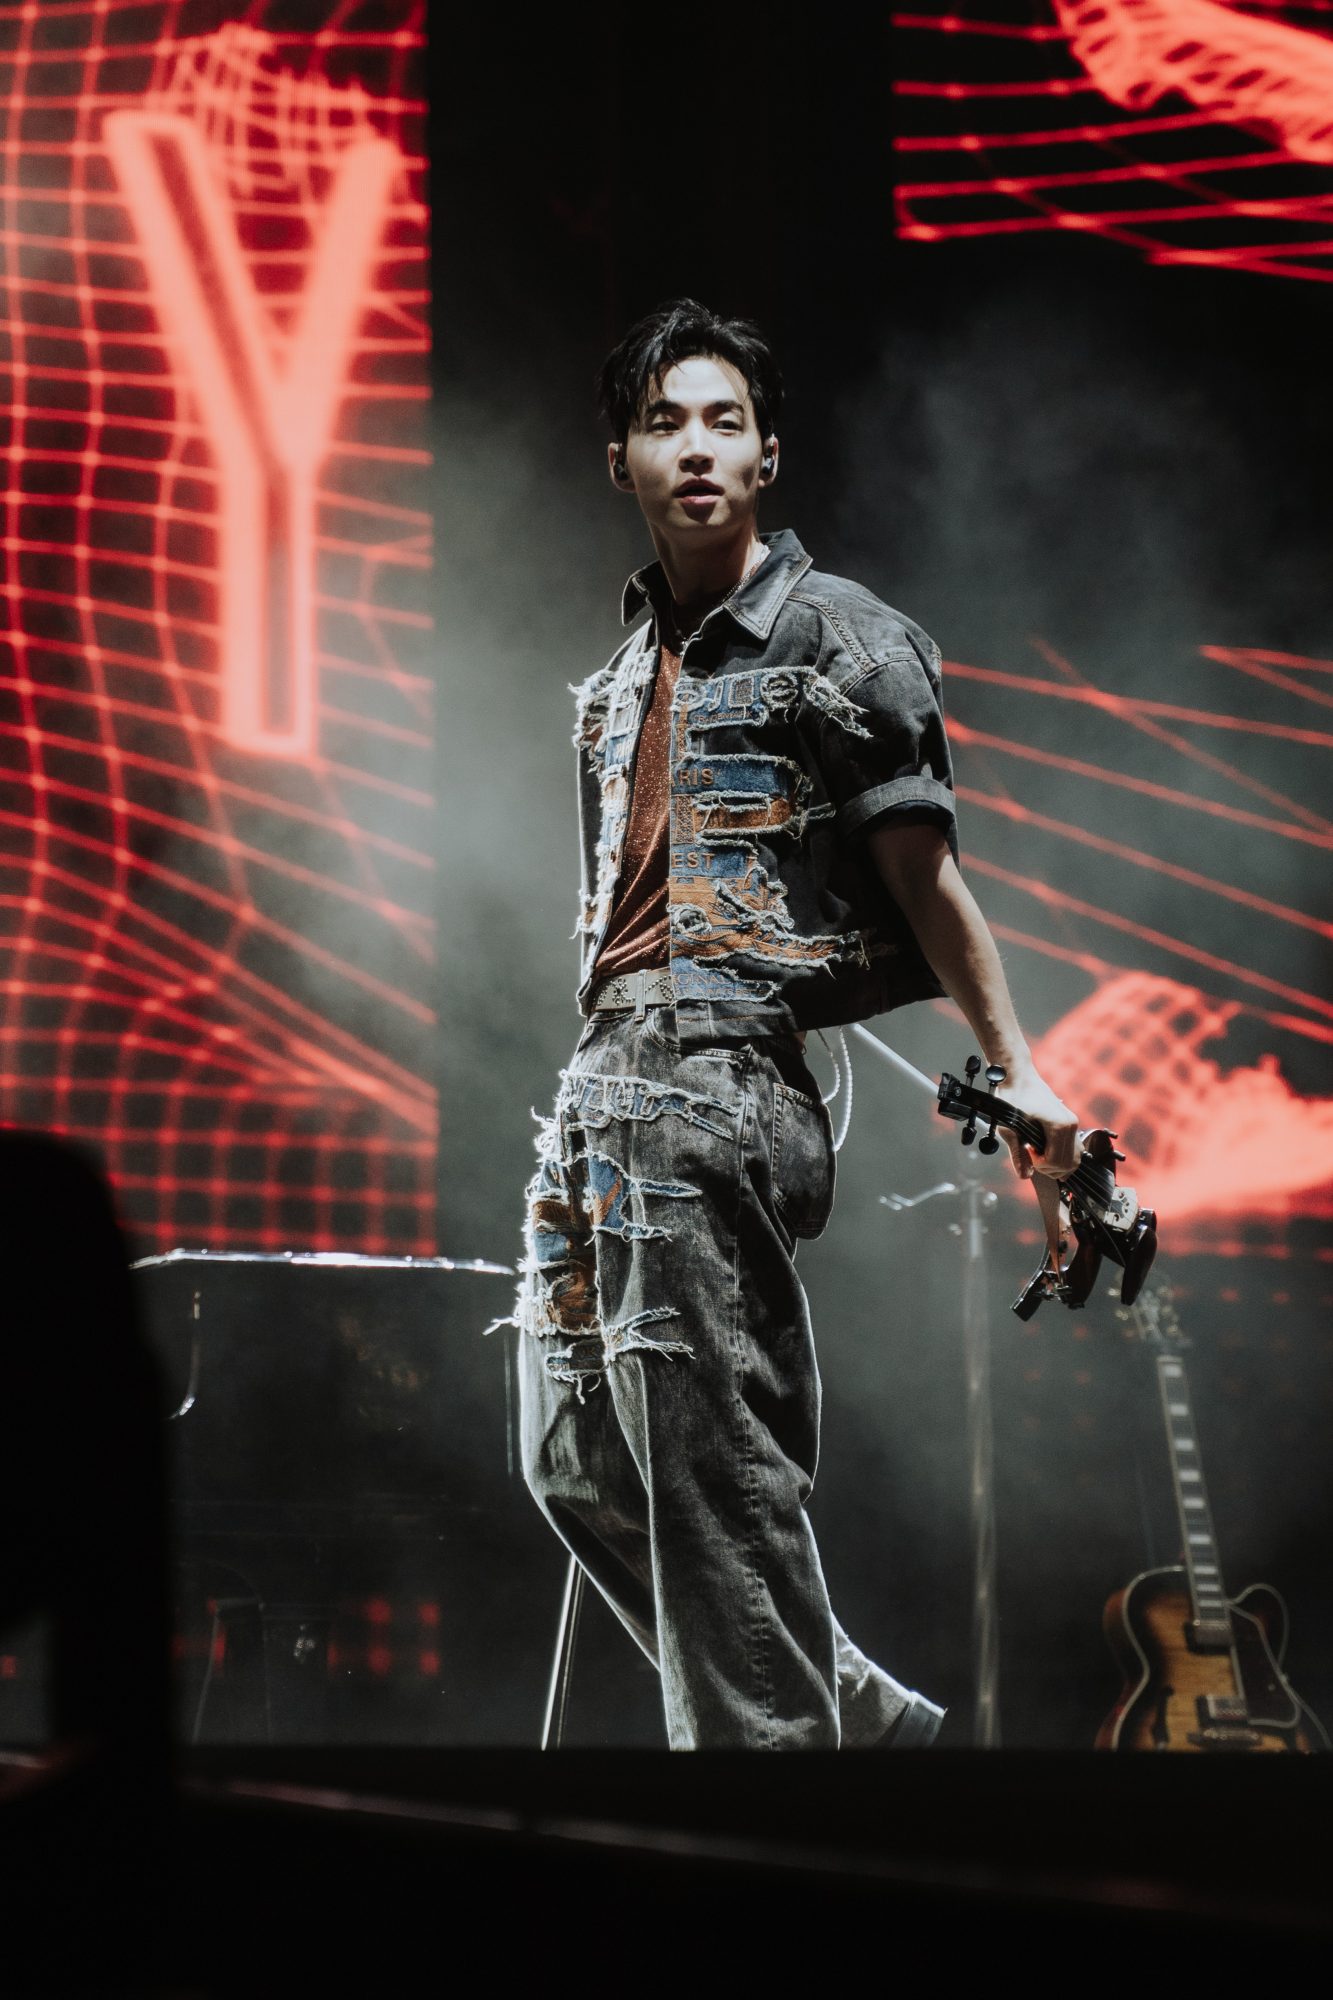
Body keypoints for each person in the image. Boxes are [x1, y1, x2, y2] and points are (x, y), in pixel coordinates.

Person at [504, 299, 1080, 1749]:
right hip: (601, 1084)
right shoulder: (618, 678)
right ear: (621, 460)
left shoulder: (845, 638)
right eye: (663, 423)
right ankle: (855, 1719)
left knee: (715, 1488)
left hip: (714, 1082)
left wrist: (1020, 1076)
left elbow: (926, 879)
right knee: (571, 1462)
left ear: (767, 454)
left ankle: (777, 1787)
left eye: (725, 421)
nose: (696, 448)